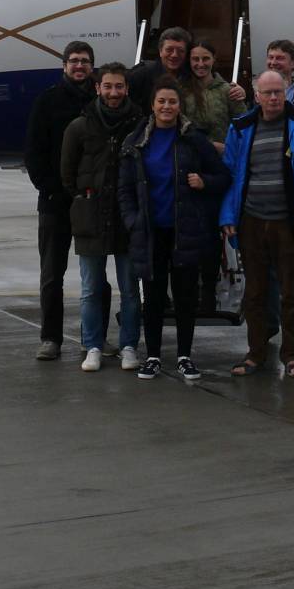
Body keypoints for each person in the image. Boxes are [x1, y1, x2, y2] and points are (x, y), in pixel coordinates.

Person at [119, 78, 231, 381]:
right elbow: (125, 189)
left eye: (172, 102)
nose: (167, 107)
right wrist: (132, 220)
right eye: (161, 102)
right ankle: (153, 355)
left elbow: (223, 176)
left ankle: (184, 356)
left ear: (180, 106)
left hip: (185, 230)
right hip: (151, 230)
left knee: (184, 297)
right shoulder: (136, 141)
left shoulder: (194, 139)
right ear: (152, 106)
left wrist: (204, 182)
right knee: (153, 297)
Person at [220, 70, 294, 377]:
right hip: (251, 221)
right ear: (256, 96)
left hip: (288, 222)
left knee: (292, 292)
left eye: (278, 92)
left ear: (285, 92)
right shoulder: (241, 128)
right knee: (254, 292)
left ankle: (292, 354)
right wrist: (228, 215)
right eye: (267, 93)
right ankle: (255, 353)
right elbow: (230, 176)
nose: (273, 98)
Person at [60, 62, 144, 372]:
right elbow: (67, 175)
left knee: (131, 289)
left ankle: (129, 345)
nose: (113, 92)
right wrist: (84, 199)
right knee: (91, 288)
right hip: (91, 217)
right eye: (107, 86)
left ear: (126, 89)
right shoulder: (79, 127)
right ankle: (93, 345)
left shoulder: (139, 124)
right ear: (98, 88)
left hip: (126, 216)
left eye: (118, 86)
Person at [23, 40, 96, 361]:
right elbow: (33, 153)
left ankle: (93, 338)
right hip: (55, 202)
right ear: (64, 66)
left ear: (92, 67)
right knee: (52, 274)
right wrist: (51, 189)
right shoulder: (48, 101)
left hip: (91, 202)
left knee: (95, 275)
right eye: (74, 61)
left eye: (84, 61)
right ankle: (50, 338)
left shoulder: (99, 101)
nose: (79, 66)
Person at [182, 37, 246, 314]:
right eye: (195, 59)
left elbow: (243, 126)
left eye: (205, 59)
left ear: (213, 60)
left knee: (215, 233)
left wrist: (225, 147)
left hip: (220, 169)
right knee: (192, 233)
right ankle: (191, 289)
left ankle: (213, 290)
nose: (200, 64)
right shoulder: (181, 89)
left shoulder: (227, 91)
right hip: (190, 168)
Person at [130, 27, 244, 111]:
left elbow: (213, 83)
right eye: (169, 49)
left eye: (180, 50)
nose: (174, 55)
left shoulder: (192, 73)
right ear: (160, 51)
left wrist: (236, 90)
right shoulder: (142, 73)